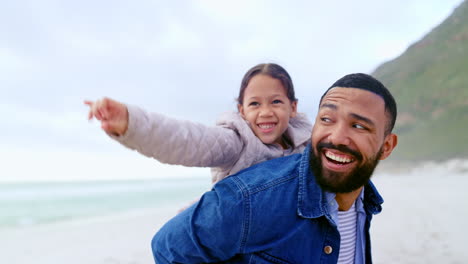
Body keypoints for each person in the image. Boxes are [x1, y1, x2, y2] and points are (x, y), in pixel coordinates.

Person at [151, 73, 398, 264]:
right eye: (326, 119)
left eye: (359, 126)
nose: (336, 137)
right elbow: (167, 247)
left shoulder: (365, 201)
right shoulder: (250, 197)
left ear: (386, 146)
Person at [85, 63, 312, 184]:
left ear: (293, 107)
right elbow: (187, 140)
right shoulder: (235, 141)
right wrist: (130, 122)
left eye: (275, 102)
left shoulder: (307, 144)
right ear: (241, 111)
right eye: (254, 104)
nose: (265, 112)